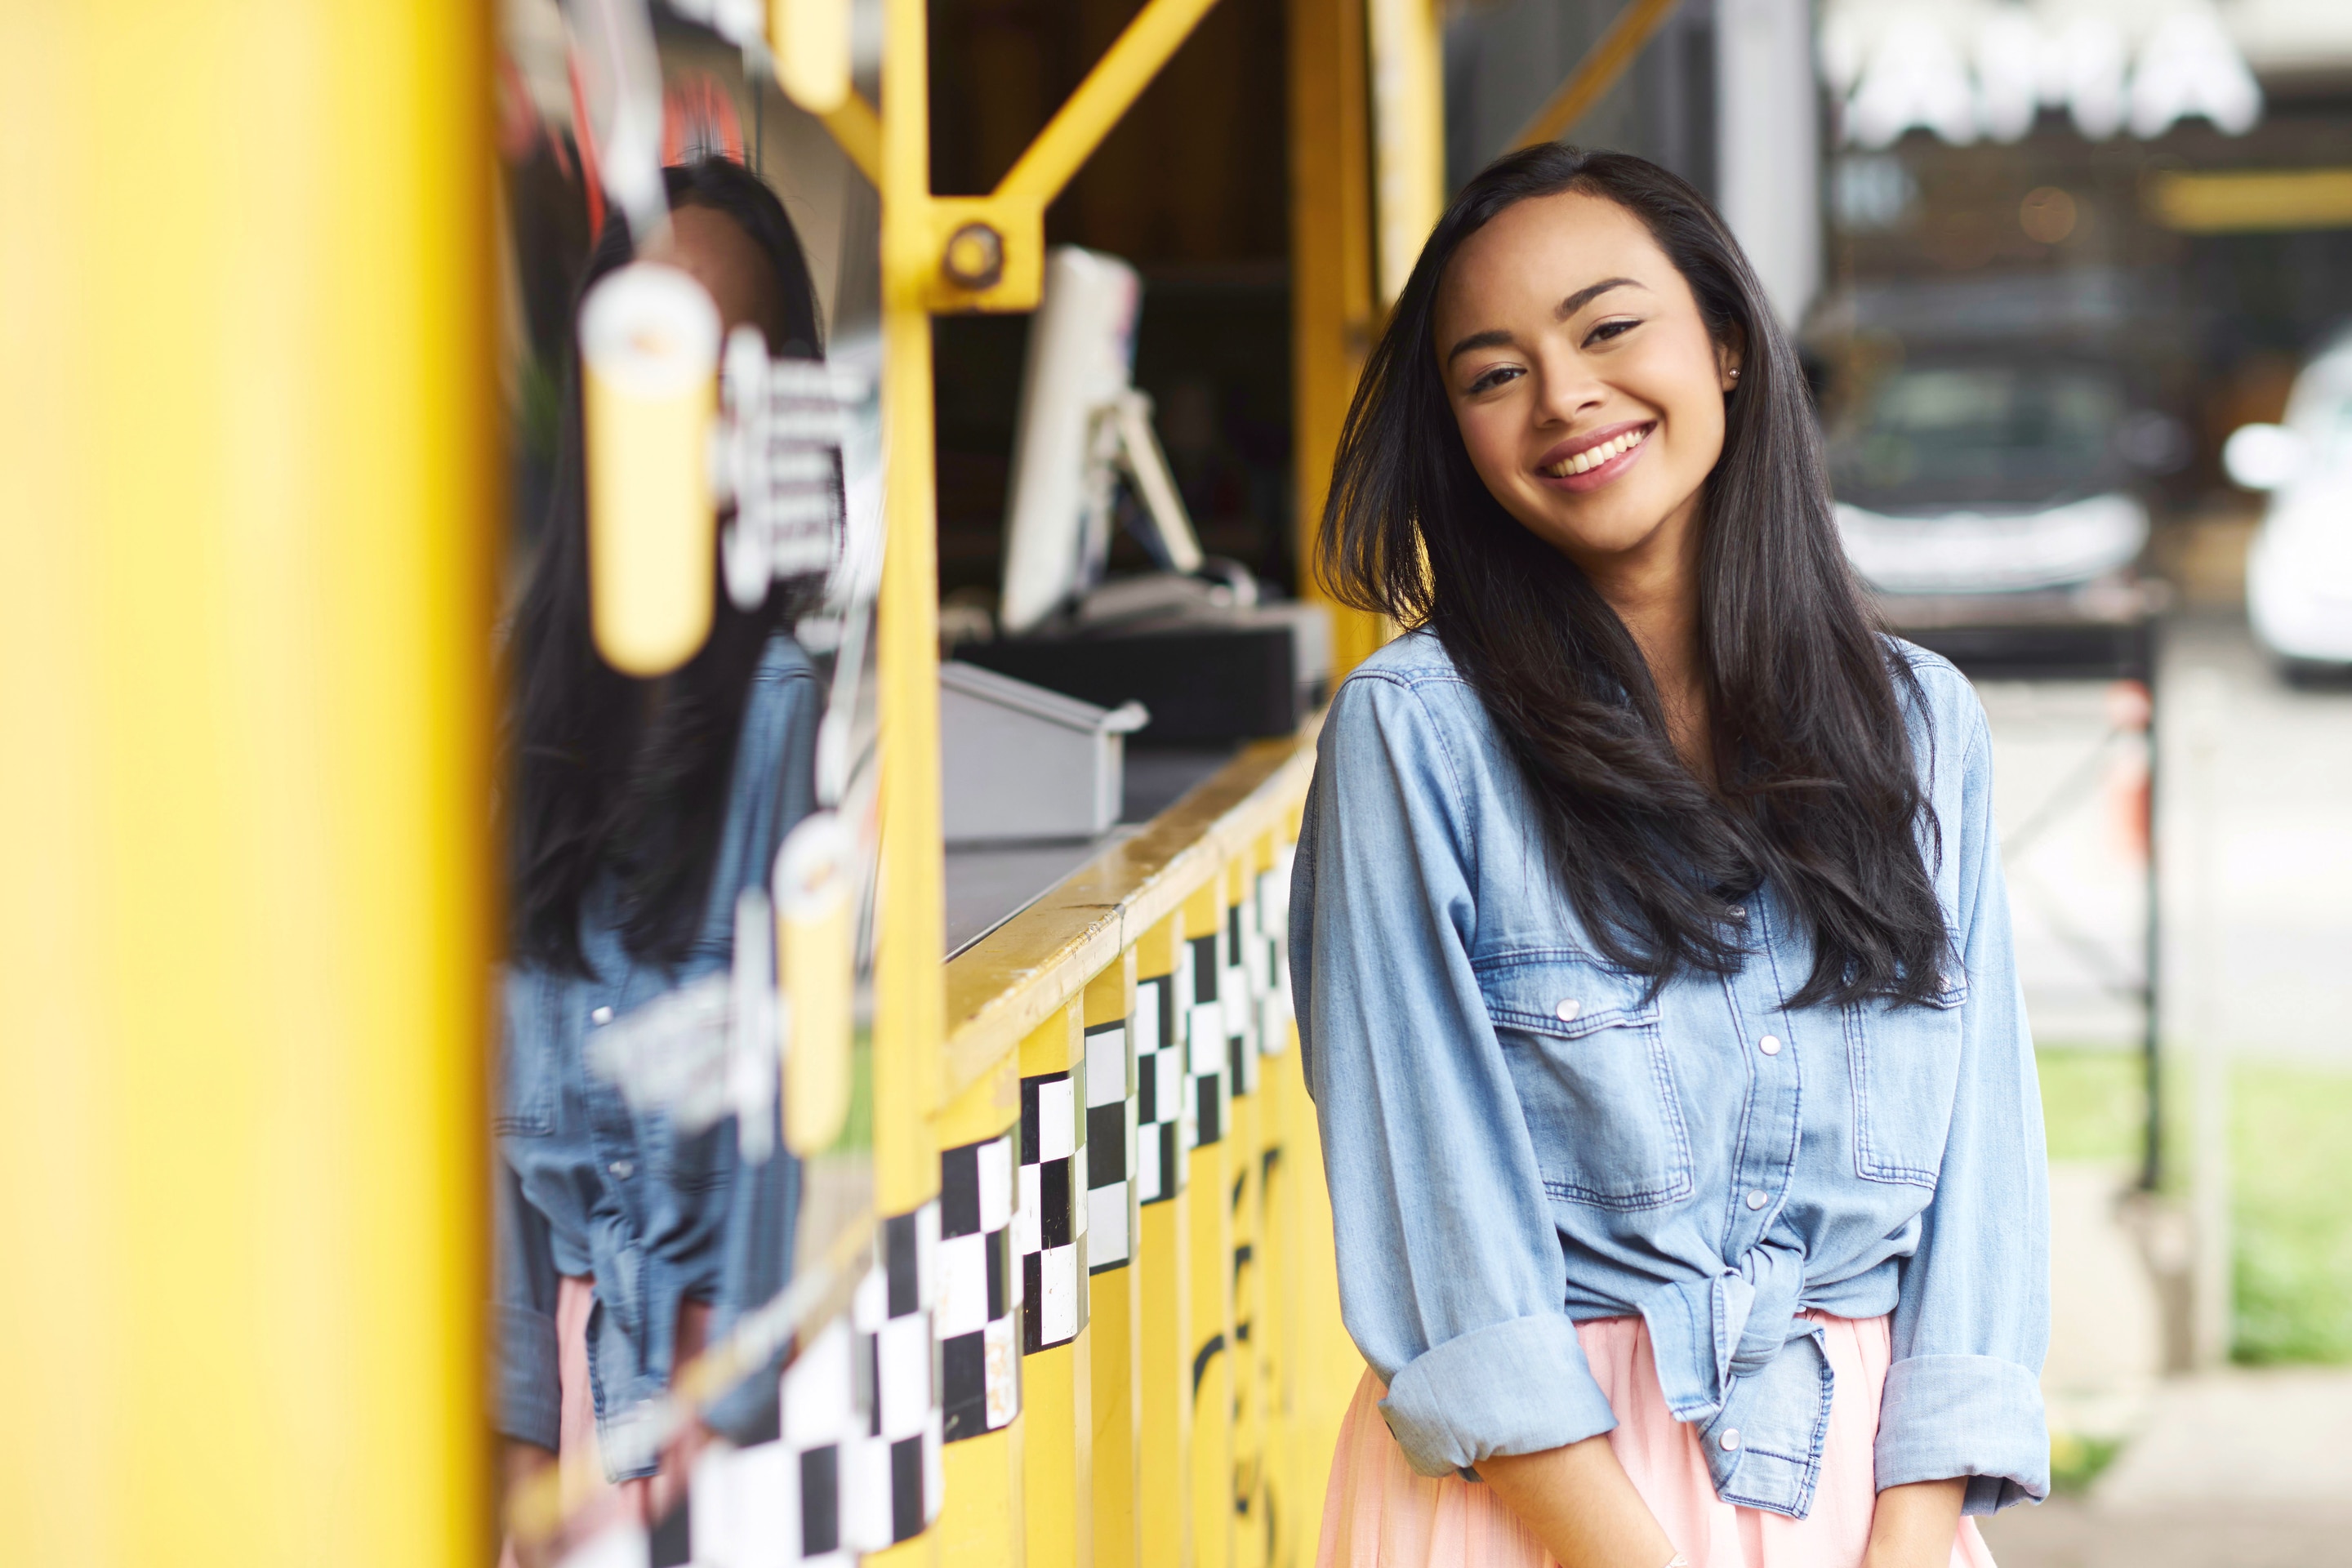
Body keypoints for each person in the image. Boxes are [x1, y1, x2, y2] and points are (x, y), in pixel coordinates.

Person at [1292, 145, 2047, 1568]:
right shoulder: (1416, 739)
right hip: (1544, 1511)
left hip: (1869, 1495)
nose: (1565, 394)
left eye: (1607, 326)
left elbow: (1986, 1184)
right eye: (1491, 372)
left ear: (1727, 342)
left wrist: (1911, 1536)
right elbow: (1445, 1244)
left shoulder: (1923, 725)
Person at [494, 156, 827, 1563]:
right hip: (587, 1413)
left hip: (740, 1416)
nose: (686, 403)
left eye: (729, 361)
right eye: (652, 350)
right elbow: (506, 1207)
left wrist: (722, 1422)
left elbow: (809, 1126)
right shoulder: (520, 718)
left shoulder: (793, 712)